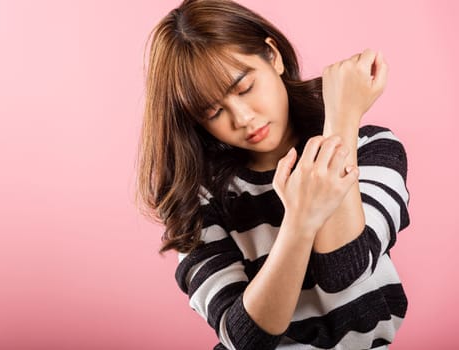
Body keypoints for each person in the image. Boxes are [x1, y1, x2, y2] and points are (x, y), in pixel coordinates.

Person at [135, 0, 411, 349]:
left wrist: (342, 119)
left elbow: (346, 269)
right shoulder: (200, 198)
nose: (243, 119)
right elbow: (245, 339)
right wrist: (298, 223)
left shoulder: (371, 147)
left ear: (273, 55)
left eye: (245, 88)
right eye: (214, 111)